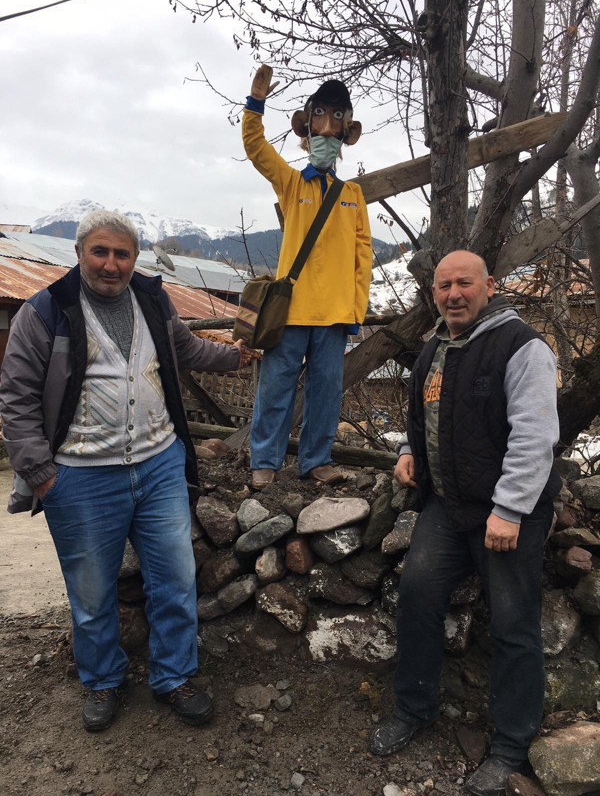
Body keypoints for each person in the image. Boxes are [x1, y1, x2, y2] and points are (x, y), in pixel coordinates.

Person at [0, 209, 252, 732]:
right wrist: (43, 474)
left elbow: (185, 348)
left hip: (159, 467)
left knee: (175, 580)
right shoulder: (45, 311)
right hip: (80, 476)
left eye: (122, 253)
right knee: (91, 594)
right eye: (101, 251)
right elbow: (17, 398)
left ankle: (174, 676)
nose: (111, 264)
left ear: (135, 257)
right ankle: (103, 680)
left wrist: (235, 358)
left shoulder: (153, 300)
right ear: (79, 253)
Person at [368, 250, 561, 796]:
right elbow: (420, 414)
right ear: (434, 292)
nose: (454, 294)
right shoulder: (435, 346)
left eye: (464, 283)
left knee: (514, 624)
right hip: (449, 508)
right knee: (416, 597)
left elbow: (535, 436)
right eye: (444, 286)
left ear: (489, 285)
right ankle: (415, 708)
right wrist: (409, 450)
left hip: (506, 513)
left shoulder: (522, 347)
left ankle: (510, 746)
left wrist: (509, 509)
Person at [242, 64, 373, 490]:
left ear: (345, 133)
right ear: (307, 128)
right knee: (276, 387)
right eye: (320, 117)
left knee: (326, 392)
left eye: (337, 120)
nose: (327, 129)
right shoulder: (291, 182)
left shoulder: (353, 195)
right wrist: (255, 103)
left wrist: (357, 309)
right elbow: (257, 147)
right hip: (291, 310)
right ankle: (264, 460)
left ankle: (317, 460)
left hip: (335, 316)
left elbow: (362, 257)